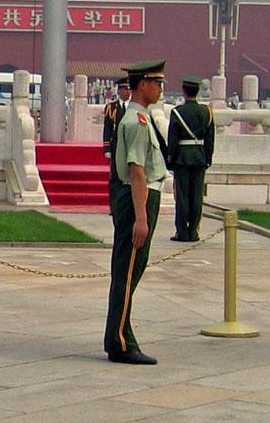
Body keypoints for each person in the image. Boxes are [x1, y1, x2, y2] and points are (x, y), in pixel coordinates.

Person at [104, 60, 168, 365]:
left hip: (137, 199)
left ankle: (122, 335)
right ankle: (119, 341)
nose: (160, 89)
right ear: (142, 84)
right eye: (157, 83)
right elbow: (137, 172)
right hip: (137, 200)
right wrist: (141, 217)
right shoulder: (136, 122)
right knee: (127, 273)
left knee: (129, 273)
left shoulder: (138, 118)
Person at [167, 75, 215, 242]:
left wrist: (170, 158)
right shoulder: (206, 112)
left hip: (182, 157)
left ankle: (182, 232)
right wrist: (208, 158)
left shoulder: (177, 112)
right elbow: (210, 139)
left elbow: (172, 139)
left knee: (182, 196)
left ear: (184, 92)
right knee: (196, 196)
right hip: (200, 157)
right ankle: (194, 231)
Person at [100, 77, 131, 160]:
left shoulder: (134, 107)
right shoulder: (111, 107)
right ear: (119, 91)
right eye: (125, 89)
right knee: (115, 171)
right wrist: (106, 147)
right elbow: (107, 128)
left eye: (129, 89)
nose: (128, 92)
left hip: (130, 145)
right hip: (116, 144)